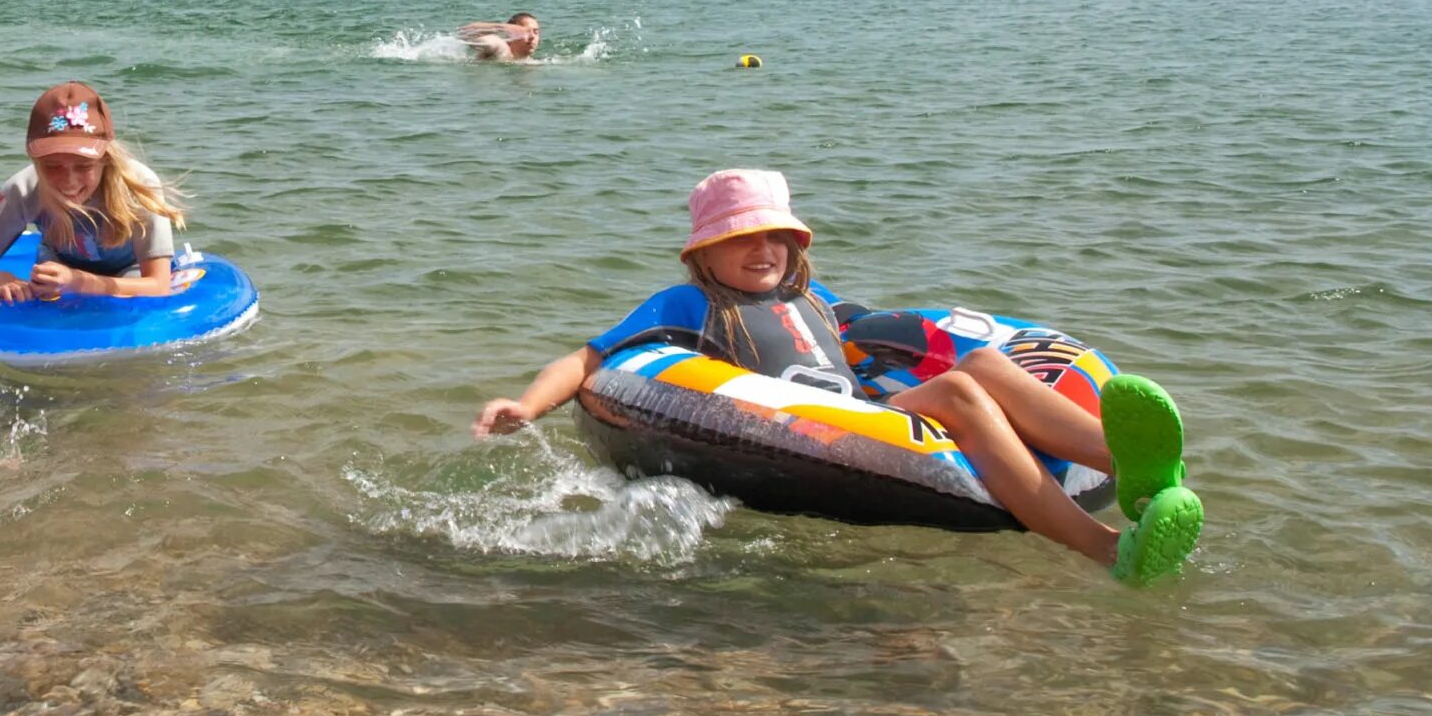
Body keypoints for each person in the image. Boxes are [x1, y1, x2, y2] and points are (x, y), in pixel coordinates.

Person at [471, 168, 1204, 585]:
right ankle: (1107, 550)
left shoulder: (811, 300)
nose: (762, 251)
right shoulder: (688, 303)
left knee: (978, 363)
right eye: (741, 239)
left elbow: (863, 355)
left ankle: (1131, 463)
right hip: (809, 425)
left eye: (777, 237)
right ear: (705, 252)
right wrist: (526, 403)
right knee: (958, 392)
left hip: (869, 412)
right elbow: (590, 360)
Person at [0, 82, 186, 303]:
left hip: (129, 272)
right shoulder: (22, 190)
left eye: (84, 166)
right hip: (57, 265)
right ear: (35, 161)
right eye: (52, 167)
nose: (68, 181)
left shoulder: (139, 187)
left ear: (106, 159)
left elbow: (158, 285)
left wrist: (78, 282)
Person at [460, 12, 539, 60]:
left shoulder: (533, 62)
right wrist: (502, 27)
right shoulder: (502, 49)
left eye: (536, 32)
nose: (532, 37)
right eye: (525, 32)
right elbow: (465, 31)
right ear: (510, 34)